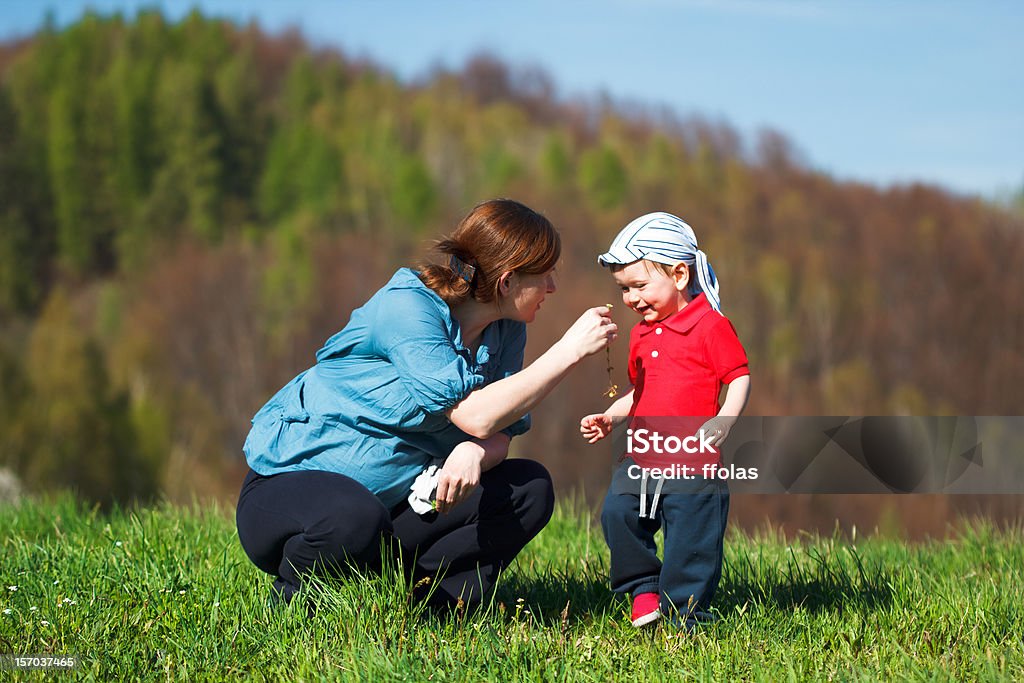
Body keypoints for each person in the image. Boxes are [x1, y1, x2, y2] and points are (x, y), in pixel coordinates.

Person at [236, 199, 617, 610]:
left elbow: (498, 430)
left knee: (529, 489)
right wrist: (569, 351)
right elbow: (474, 414)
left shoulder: (506, 330)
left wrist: (474, 451)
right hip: (289, 494)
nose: (553, 287)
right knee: (353, 516)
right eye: (545, 275)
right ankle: (294, 600)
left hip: (395, 504)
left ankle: (433, 605)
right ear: (507, 281)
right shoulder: (408, 307)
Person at [579, 211, 750, 630]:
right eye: (623, 288)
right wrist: (612, 416)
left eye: (640, 285)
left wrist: (725, 420)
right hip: (642, 455)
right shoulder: (640, 333)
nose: (632, 298)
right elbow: (643, 391)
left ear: (678, 274)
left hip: (691, 459)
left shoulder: (710, 325)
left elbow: (738, 375)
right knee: (618, 514)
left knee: (691, 544)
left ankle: (684, 618)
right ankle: (642, 587)